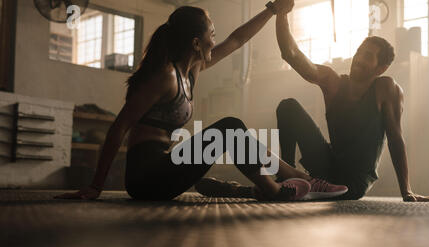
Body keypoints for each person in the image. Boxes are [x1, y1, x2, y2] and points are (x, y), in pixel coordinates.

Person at [55, 1, 348, 202]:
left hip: (166, 168)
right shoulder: (165, 77)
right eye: (211, 35)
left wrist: (271, 10)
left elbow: (236, 40)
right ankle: (281, 185)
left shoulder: (191, 70)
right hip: (146, 178)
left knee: (231, 131)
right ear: (196, 43)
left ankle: (275, 185)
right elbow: (119, 128)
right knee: (229, 128)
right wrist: (96, 186)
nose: (215, 41)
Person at [197, 10, 429, 202]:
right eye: (359, 51)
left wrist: (406, 190)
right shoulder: (333, 82)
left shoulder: (386, 88)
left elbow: (396, 138)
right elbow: (291, 54)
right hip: (325, 165)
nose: (358, 58)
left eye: (367, 56)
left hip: (353, 183)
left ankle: (250, 190)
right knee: (288, 106)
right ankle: (287, 177)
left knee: (295, 191)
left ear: (380, 68)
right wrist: (282, 13)